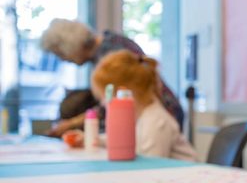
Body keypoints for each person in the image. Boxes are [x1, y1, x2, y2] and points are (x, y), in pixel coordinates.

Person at [40, 19, 184, 136]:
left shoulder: (111, 57)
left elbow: (114, 103)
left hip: (159, 118)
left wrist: (71, 124)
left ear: (69, 47)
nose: (65, 60)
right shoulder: (111, 45)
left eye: (61, 55)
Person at [91, 50, 196, 161]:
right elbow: (123, 139)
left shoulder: (156, 122)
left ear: (125, 92)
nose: (103, 103)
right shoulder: (140, 118)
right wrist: (95, 139)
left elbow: (151, 168)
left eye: (106, 96)